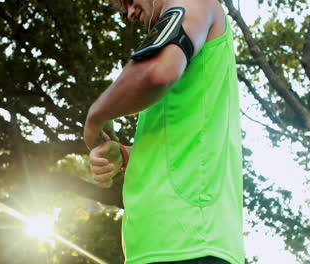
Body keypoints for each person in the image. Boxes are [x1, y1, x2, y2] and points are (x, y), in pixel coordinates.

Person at [83, 0, 244, 263]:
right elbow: (182, 141)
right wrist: (126, 155)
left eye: (129, 1)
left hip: (190, 245)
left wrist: (95, 117)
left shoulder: (193, 2)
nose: (129, 14)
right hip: (159, 249)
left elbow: (158, 72)